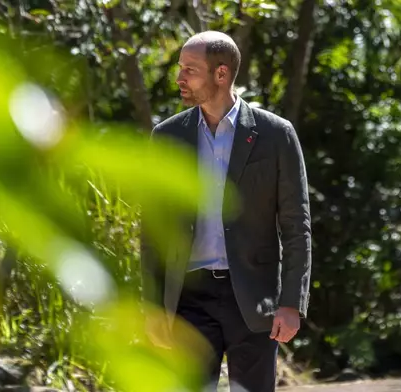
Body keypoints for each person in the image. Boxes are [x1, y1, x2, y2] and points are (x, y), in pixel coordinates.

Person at [140, 31, 312, 392]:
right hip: (188, 298)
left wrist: (291, 303)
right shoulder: (167, 136)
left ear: (221, 74)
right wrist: (153, 307)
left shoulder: (276, 134)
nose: (179, 77)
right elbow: (154, 230)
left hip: (253, 296)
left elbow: (297, 226)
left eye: (190, 69)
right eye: (180, 68)